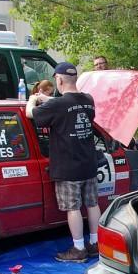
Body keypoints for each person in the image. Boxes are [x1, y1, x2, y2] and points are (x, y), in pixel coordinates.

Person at [32, 62, 100, 262]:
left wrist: (32, 100)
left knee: (73, 208)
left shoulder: (57, 105)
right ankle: (95, 245)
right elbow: (69, 106)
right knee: (92, 204)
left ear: (59, 80)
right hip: (89, 163)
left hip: (68, 167)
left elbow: (32, 115)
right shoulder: (88, 99)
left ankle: (78, 249)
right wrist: (47, 99)